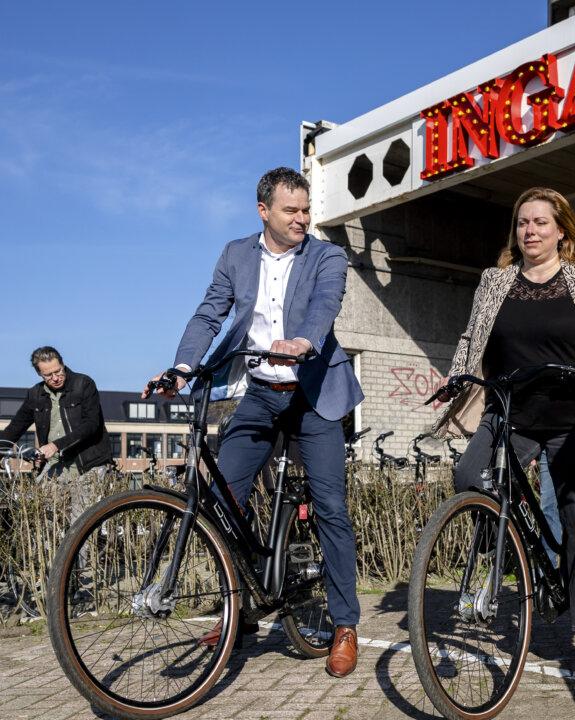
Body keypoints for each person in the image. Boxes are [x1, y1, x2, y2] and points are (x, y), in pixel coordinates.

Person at [146, 167, 364, 678]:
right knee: (222, 499)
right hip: (262, 394)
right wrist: (182, 367)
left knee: (330, 505)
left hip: (314, 395)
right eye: (291, 210)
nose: (302, 219)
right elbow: (209, 314)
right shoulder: (235, 255)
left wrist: (303, 342)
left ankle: (345, 624)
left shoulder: (327, 256)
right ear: (263, 211)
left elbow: (324, 305)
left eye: (306, 210)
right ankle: (239, 609)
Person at [434, 186, 575, 655]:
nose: (530, 230)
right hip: (510, 409)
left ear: (561, 230)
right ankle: (511, 539)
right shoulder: (495, 280)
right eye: (523, 223)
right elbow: (472, 335)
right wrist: (454, 378)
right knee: (469, 474)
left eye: (540, 222)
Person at [0, 346, 111, 528]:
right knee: (42, 520)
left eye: (58, 371)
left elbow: (92, 424)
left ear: (63, 364)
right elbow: (15, 428)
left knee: (80, 526)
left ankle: (81, 557)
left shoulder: (83, 384)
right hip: (56, 465)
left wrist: (56, 445)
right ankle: (52, 556)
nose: (55, 378)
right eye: (48, 375)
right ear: (40, 375)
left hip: (88, 464)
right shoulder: (35, 395)